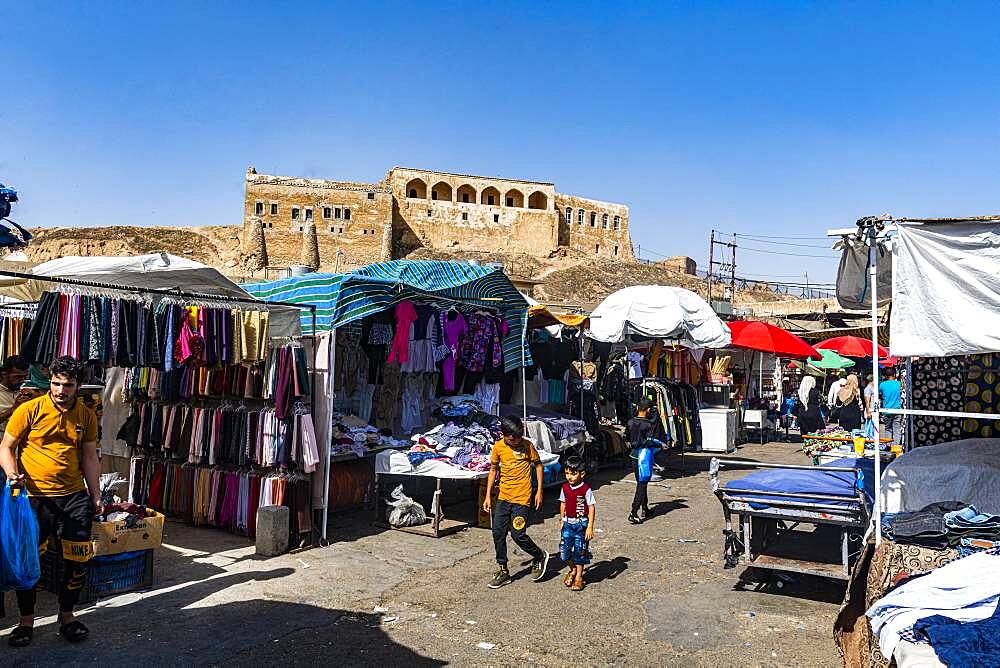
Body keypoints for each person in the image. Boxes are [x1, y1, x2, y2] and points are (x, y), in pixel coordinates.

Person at [0, 356, 101, 647]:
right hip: (33, 499)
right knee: (29, 560)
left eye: (67, 385)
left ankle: (67, 616)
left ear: (77, 386)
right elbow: (6, 447)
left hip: (73, 497)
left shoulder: (85, 415)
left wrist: (95, 495)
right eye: (56, 383)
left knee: (77, 558)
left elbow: (90, 457)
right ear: (50, 382)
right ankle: (26, 621)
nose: (60, 390)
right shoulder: (29, 409)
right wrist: (12, 474)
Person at [483, 415, 548, 589]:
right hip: (504, 498)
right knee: (498, 533)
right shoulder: (498, 448)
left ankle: (539, 555)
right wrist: (488, 495)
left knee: (518, 534)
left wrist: (539, 491)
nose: (517, 440)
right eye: (513, 438)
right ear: (504, 435)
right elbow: (493, 470)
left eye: (519, 436)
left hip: (522, 499)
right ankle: (503, 570)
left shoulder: (527, 446)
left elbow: (539, 466)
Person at [559, 456, 595, 592]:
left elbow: (591, 507)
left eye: (573, 474)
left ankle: (579, 577)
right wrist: (562, 520)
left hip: (581, 525)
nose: (569, 477)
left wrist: (590, 527)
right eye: (567, 473)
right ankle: (572, 569)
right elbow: (563, 504)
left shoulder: (585, 489)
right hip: (568, 524)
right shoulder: (564, 488)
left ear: (582, 474)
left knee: (580, 552)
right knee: (564, 551)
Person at [626, 398, 663, 524]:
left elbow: (627, 439)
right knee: (642, 484)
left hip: (633, 456)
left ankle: (645, 508)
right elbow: (648, 441)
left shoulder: (630, 422)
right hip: (644, 457)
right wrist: (660, 444)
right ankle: (633, 512)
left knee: (642, 483)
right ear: (647, 410)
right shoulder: (648, 425)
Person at [0, 355, 30, 433]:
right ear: (4, 374)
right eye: (18, 377)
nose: (22, 381)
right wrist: (13, 409)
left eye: (25, 377)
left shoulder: (23, 393)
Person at [879, 368, 903, 446]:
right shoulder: (899, 384)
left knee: (888, 429)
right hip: (897, 410)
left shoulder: (882, 384)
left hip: (886, 410)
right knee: (897, 429)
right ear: (894, 375)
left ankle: (888, 446)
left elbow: (880, 394)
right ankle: (896, 447)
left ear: (886, 375)